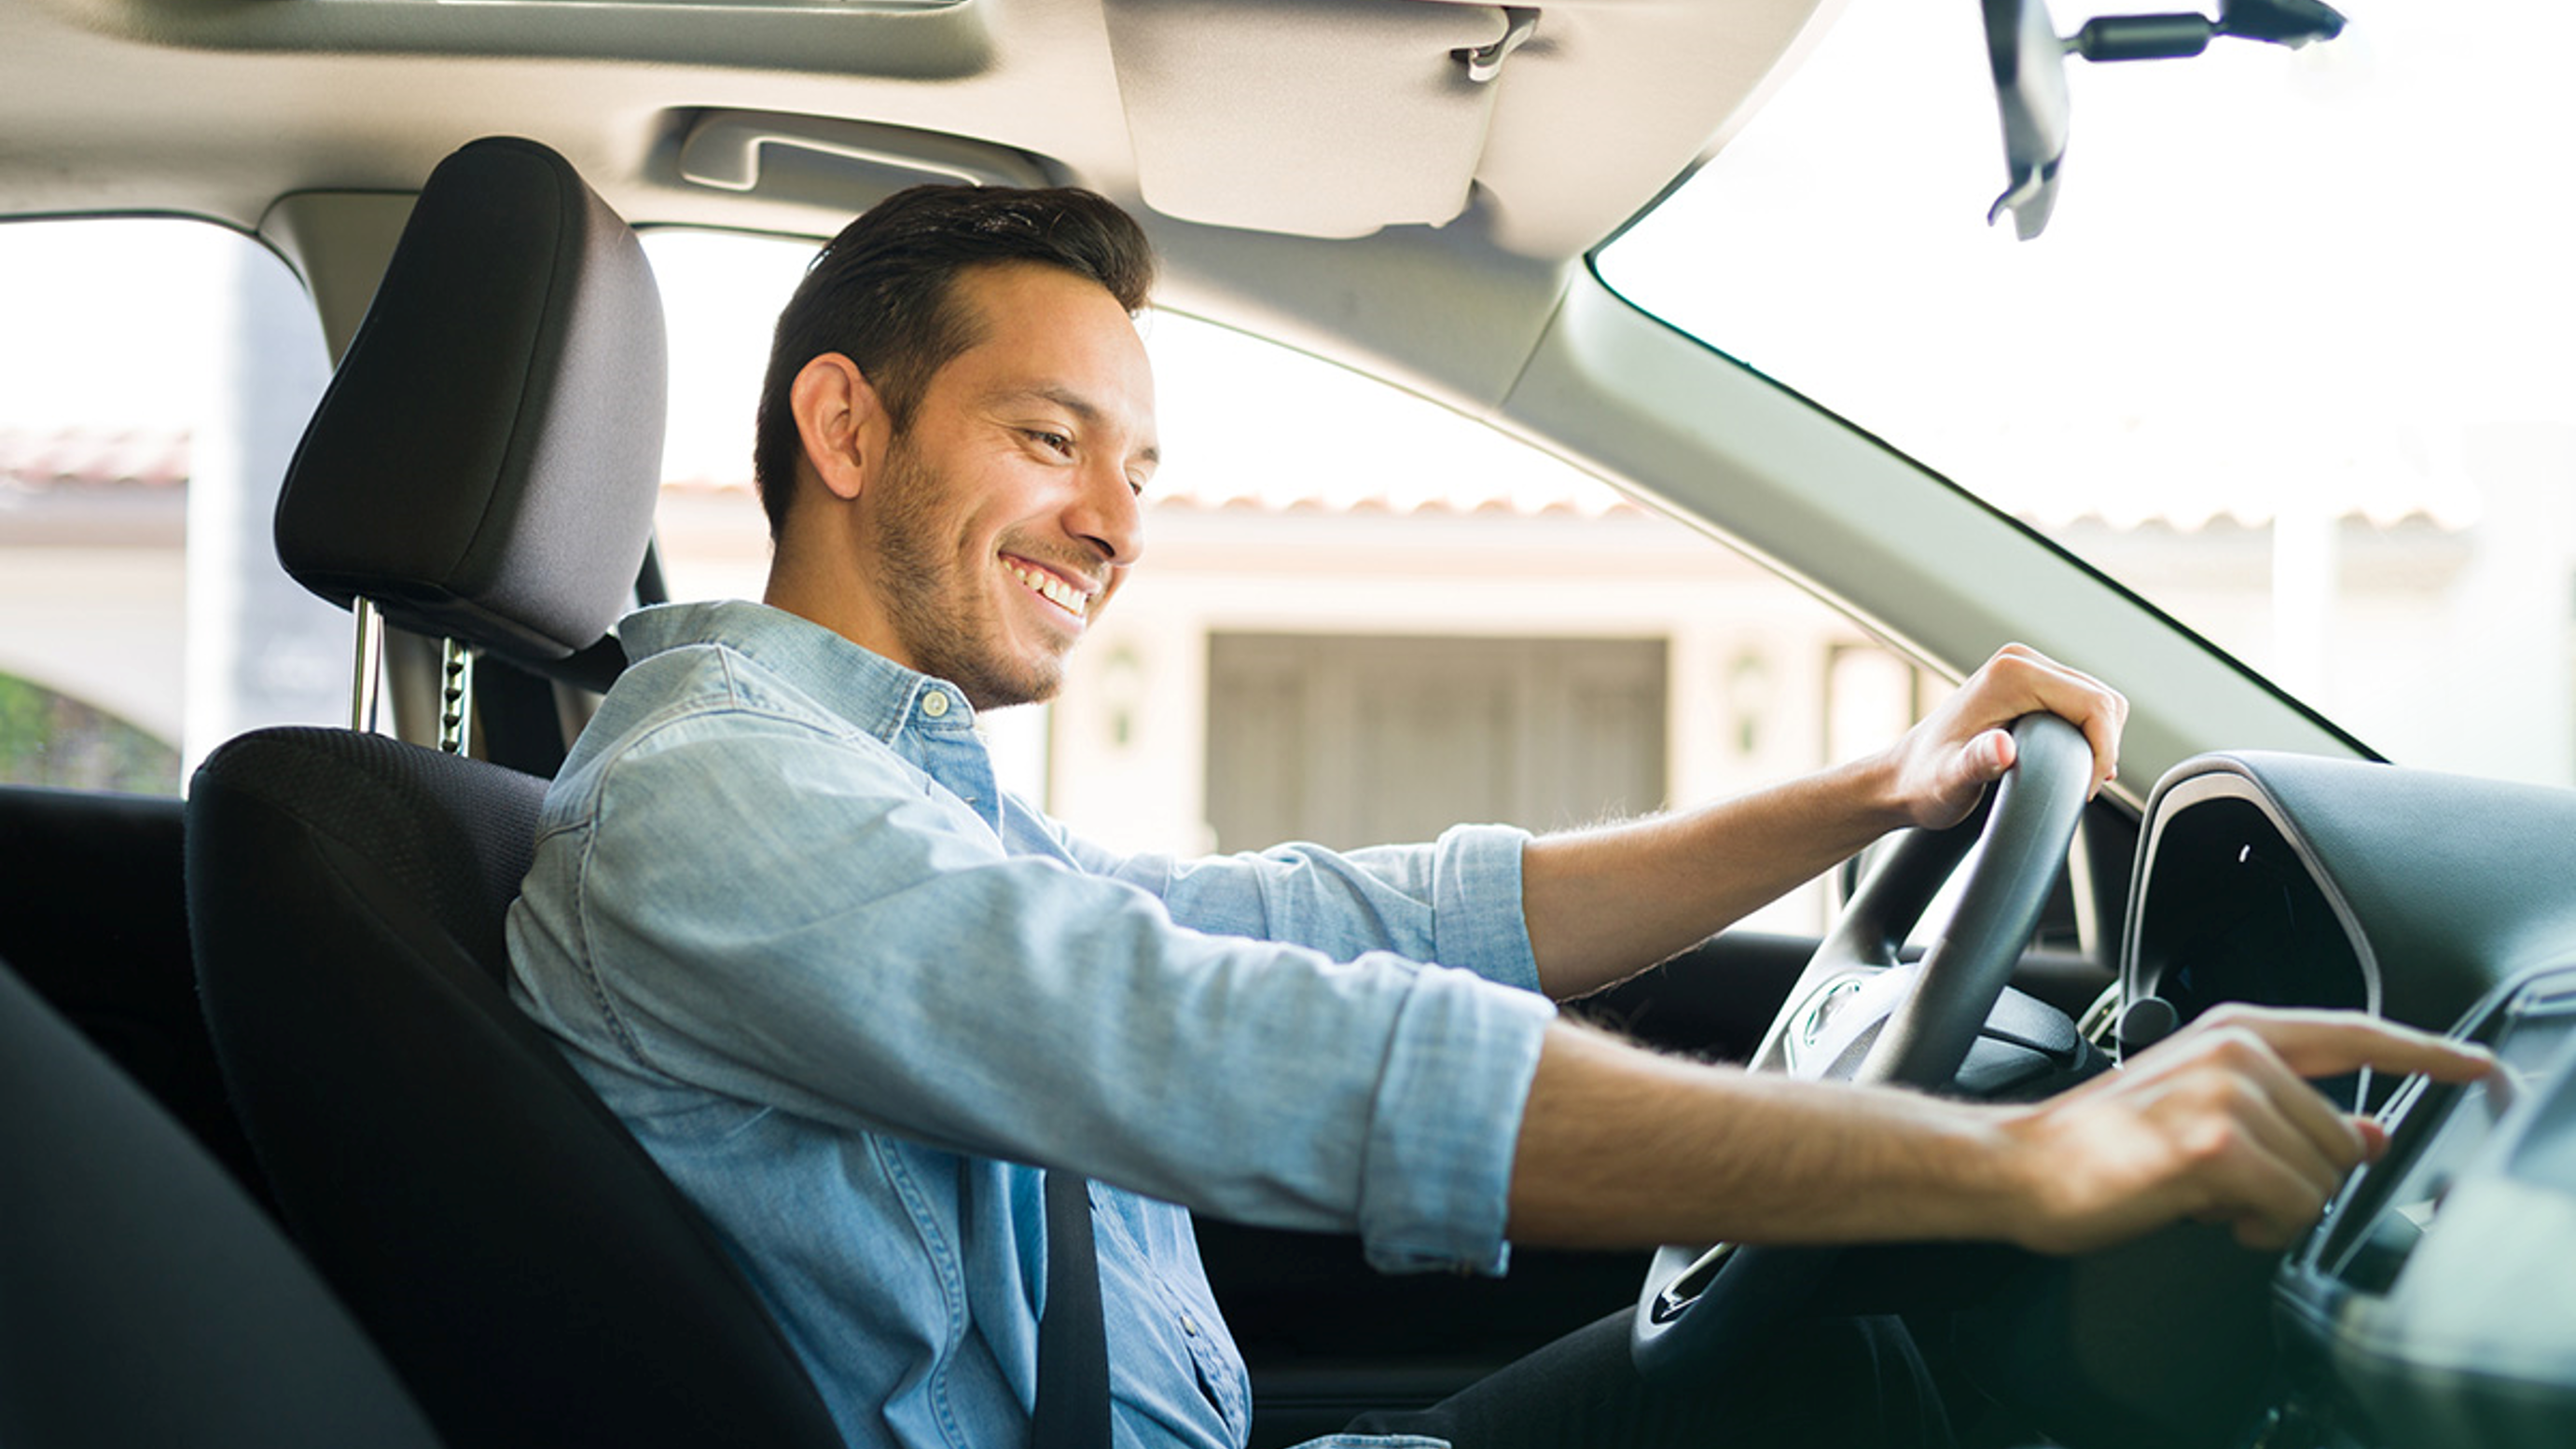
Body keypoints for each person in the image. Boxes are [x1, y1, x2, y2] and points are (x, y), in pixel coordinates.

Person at [503, 185, 2490, 1449]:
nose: (1113, 524)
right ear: (846, 430)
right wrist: (2020, 1165)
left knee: (1841, 1383)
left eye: (1138, 465)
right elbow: (1240, 1045)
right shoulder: (715, 804)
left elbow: (1327, 928)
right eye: (1046, 440)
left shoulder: (871, 786)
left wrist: (1873, 796)